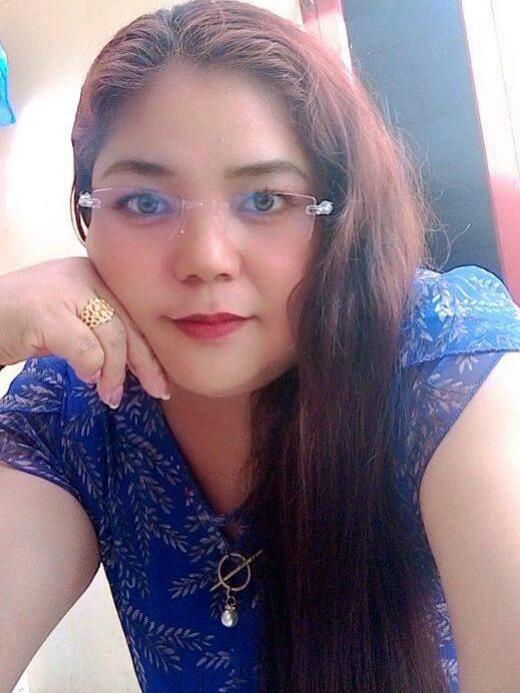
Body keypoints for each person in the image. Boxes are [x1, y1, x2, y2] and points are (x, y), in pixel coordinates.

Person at [0, 1, 519, 691]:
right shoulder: (79, 401)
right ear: (88, 215)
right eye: (145, 203)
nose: (206, 259)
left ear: (340, 216)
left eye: (265, 200)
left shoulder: (439, 360)